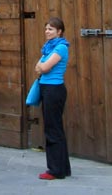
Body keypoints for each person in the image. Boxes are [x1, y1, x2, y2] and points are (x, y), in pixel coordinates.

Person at [34, 17, 71, 181]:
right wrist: (41, 66)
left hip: (53, 90)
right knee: (55, 128)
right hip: (47, 89)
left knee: (52, 130)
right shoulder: (49, 48)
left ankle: (55, 170)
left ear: (59, 31)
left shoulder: (61, 47)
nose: (47, 31)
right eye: (46, 28)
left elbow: (44, 67)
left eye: (51, 29)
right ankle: (63, 168)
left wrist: (42, 66)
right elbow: (38, 67)